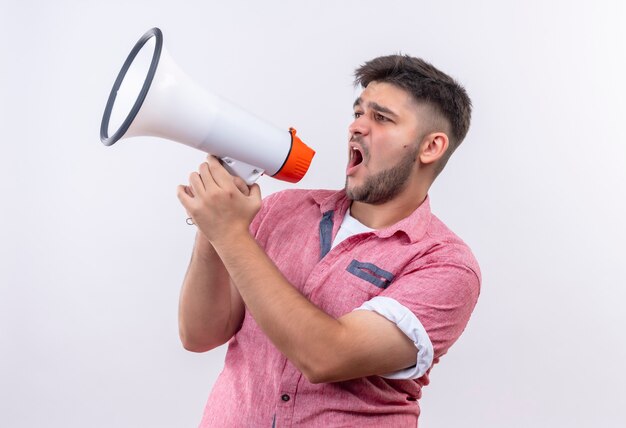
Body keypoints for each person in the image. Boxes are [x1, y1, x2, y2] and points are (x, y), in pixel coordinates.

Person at [176, 54, 481, 427]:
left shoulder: (444, 265)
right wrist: (213, 228)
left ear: (430, 147)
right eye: (358, 112)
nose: (356, 127)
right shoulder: (282, 210)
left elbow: (326, 356)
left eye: (381, 118)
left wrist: (230, 233)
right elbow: (199, 334)